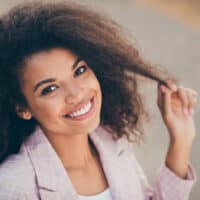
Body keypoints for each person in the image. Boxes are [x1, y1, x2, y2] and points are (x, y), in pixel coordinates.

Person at [0, 2, 197, 200]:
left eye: (79, 71)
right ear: (23, 108)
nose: (76, 93)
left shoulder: (112, 140)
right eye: (50, 89)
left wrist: (180, 138)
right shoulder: (13, 186)